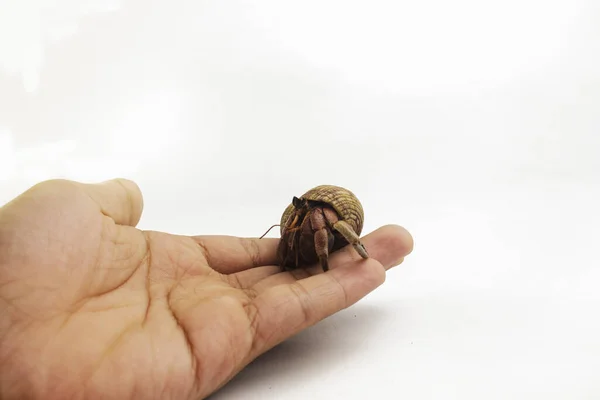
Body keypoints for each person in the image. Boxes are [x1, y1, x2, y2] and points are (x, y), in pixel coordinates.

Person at [0, 178, 413, 399]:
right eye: (300, 214)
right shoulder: (301, 214)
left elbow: (320, 222)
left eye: (308, 216)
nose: (304, 219)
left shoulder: (327, 217)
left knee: (323, 230)